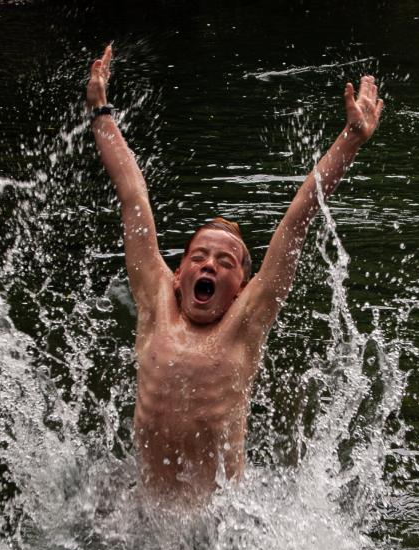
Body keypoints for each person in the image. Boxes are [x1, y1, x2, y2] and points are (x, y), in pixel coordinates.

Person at [87, 44, 383, 503]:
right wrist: (101, 111)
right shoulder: (156, 303)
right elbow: (132, 197)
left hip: (220, 528)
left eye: (226, 263)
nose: (210, 264)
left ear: (242, 288)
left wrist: (351, 140)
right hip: (144, 517)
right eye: (200, 257)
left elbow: (297, 219)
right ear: (177, 274)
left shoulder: (246, 323)